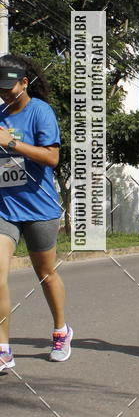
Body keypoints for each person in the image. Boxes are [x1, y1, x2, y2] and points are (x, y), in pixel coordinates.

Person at [0, 55, 71, 370]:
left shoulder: (40, 112)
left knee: (45, 273)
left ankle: (61, 330)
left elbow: (52, 158)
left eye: (8, 87)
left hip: (39, 208)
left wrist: (12, 143)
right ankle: (3, 347)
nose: (3, 94)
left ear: (24, 83)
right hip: (5, 208)